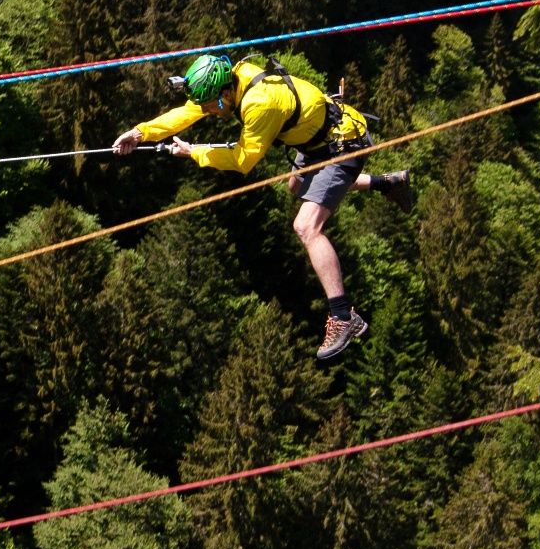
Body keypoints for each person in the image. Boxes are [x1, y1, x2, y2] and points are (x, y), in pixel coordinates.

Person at [111, 52, 410, 361]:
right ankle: (387, 183)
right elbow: (188, 113)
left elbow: (243, 162)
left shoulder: (259, 103)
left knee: (306, 227)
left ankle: (343, 316)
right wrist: (139, 132)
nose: (210, 112)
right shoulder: (231, 80)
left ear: (226, 93)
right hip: (314, 138)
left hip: (343, 141)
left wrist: (197, 153)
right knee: (296, 185)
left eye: (212, 106)